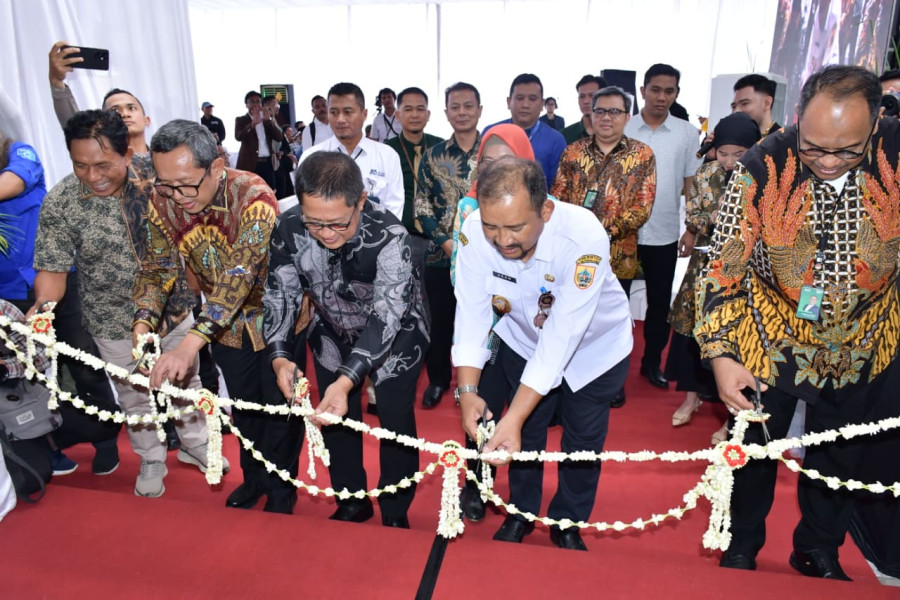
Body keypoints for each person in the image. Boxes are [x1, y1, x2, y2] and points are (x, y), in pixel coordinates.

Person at [696, 65, 900, 580]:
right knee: (758, 447)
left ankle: (819, 549)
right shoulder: (760, 165)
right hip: (772, 332)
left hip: (865, 336)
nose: (828, 162)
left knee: (840, 451)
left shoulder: (897, 154)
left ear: (875, 124)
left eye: (847, 151)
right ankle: (741, 542)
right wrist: (722, 355)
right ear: (796, 118)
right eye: (814, 148)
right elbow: (722, 267)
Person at [32, 110, 216, 498]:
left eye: (103, 164)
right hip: (111, 319)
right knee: (134, 395)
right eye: (80, 165)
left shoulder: (158, 175)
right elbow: (53, 270)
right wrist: (42, 309)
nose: (93, 175)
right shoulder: (62, 203)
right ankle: (151, 457)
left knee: (186, 380)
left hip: (174, 307)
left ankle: (195, 443)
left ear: (128, 154)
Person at [453, 157, 632, 551]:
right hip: (523, 341)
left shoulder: (583, 234)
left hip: (593, 351)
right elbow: (470, 313)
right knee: (525, 436)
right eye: (492, 226)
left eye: (516, 227)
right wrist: (467, 392)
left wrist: (512, 415)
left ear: (545, 210)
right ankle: (521, 512)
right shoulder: (473, 233)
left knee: (582, 441)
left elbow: (562, 337)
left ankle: (568, 520)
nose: (502, 240)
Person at [132, 119, 301, 514]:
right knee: (241, 405)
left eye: (186, 184)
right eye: (165, 183)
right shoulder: (164, 200)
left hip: (277, 318)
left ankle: (281, 488)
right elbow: (156, 269)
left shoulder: (253, 195)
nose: (177, 195)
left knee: (279, 407)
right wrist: (143, 323)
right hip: (222, 326)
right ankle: (254, 479)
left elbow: (240, 274)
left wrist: (190, 345)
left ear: (217, 165)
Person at [263, 151, 428, 528]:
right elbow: (280, 294)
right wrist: (279, 354)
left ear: (361, 202)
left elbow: (387, 315)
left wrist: (348, 379)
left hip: (398, 331)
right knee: (335, 416)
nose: (324, 234)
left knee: (394, 418)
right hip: (331, 325)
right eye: (314, 223)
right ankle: (351, 498)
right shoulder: (288, 226)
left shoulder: (391, 236)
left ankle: (395, 508)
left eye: (337, 224)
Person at [447, 124, 534, 523]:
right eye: (487, 161)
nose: (496, 168)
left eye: (507, 159)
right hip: (485, 325)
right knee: (480, 404)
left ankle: (521, 493)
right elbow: (460, 272)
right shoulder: (469, 209)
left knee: (523, 409)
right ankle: (476, 485)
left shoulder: (540, 210)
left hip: (526, 328)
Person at [551, 86, 657, 407]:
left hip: (617, 255)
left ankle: (611, 380)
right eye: (600, 111)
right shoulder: (573, 152)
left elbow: (642, 207)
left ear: (627, 117)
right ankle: (562, 378)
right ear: (590, 114)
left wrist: (599, 232)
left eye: (614, 112)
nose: (606, 118)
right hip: (572, 255)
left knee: (611, 322)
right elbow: (557, 198)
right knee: (569, 315)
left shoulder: (642, 155)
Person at [664, 112, 760, 429]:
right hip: (704, 268)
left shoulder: (764, 176)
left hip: (745, 274)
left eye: (739, 154)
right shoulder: (707, 175)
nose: (730, 161)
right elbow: (694, 216)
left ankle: (730, 417)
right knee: (692, 334)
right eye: (723, 153)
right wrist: (714, 217)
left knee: (733, 341)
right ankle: (691, 398)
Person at [625, 63, 702, 390]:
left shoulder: (686, 133)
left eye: (669, 91)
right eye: (655, 89)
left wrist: (692, 228)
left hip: (665, 233)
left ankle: (651, 364)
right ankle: (611, 371)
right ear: (643, 91)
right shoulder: (624, 128)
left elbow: (693, 184)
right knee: (615, 303)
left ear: (677, 94)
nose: (661, 97)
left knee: (659, 305)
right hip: (622, 234)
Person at [413, 82, 482, 409]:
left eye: (469, 106)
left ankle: (479, 385)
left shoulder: (493, 152)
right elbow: (421, 205)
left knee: (484, 324)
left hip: (489, 258)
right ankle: (439, 380)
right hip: (442, 258)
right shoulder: (433, 155)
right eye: (456, 107)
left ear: (479, 110)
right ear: (446, 113)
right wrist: (443, 241)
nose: (462, 112)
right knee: (440, 323)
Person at [299, 83, 404, 222]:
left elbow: (394, 208)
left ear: (364, 114)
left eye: (348, 112)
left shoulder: (387, 156)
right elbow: (305, 209)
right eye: (334, 112)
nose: (340, 119)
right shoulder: (310, 158)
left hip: (378, 239)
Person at [484, 74, 567, 189]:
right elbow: (481, 180)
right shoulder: (492, 133)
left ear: (542, 104)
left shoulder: (556, 140)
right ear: (509, 102)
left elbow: (559, 188)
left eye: (532, 99)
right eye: (520, 98)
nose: (525, 105)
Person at [385, 87, 444, 235]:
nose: (415, 115)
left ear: (428, 114)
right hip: (399, 234)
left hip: (439, 235)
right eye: (408, 109)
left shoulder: (441, 147)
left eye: (420, 109)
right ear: (397, 115)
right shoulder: (387, 151)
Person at [234, 90, 283, 190]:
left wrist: (268, 120)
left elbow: (279, 137)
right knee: (250, 193)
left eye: (258, 101)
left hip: (267, 163)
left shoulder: (266, 118)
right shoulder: (241, 120)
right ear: (246, 105)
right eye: (252, 101)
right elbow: (238, 136)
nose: (255, 104)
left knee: (269, 192)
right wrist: (252, 124)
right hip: (251, 163)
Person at [561, 75, 607, 145]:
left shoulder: (615, 136)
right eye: (582, 96)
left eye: (592, 95)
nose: (586, 101)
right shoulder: (564, 136)